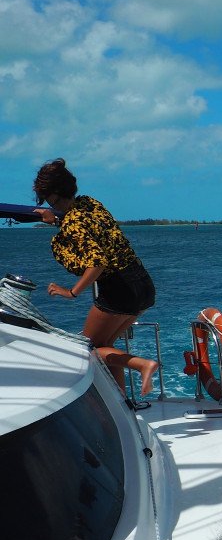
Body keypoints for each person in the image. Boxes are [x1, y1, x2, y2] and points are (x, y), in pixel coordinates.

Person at [32, 158, 158, 395]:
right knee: (105, 348)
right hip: (142, 283)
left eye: (50, 200)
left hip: (118, 288)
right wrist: (58, 220)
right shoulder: (89, 203)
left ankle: (142, 365)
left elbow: (97, 262)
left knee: (87, 348)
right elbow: (87, 227)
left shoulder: (71, 222)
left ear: (54, 195)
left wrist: (71, 292)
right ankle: (122, 400)